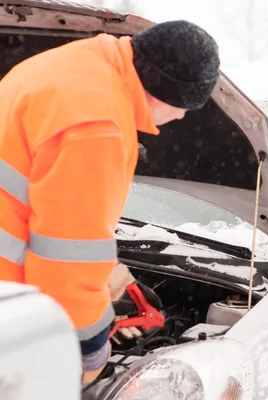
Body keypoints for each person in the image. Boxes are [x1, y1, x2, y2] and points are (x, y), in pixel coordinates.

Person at [0, 20, 220, 382]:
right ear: (166, 92)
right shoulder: (98, 124)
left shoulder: (76, 65)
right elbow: (64, 257)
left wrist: (106, 273)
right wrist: (88, 344)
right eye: (184, 107)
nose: (180, 118)